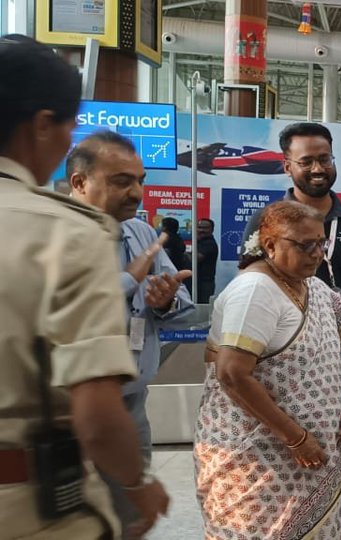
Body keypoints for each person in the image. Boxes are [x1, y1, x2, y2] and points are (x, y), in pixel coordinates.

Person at [0, 34, 169, 539]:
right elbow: (95, 414)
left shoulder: (127, 232)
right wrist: (138, 484)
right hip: (32, 505)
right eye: (69, 126)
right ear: (43, 124)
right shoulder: (64, 232)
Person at [196, 200, 341, 539]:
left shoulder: (313, 286)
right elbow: (231, 373)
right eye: (305, 245)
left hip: (314, 459)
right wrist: (296, 438)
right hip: (260, 459)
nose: (317, 253)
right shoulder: (255, 291)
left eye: (322, 243)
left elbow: (334, 343)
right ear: (270, 245)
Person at [67, 131, 196, 539]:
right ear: (79, 183)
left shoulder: (141, 234)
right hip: (72, 415)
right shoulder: (57, 238)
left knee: (128, 522)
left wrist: (164, 301)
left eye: (140, 180)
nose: (136, 191)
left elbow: (182, 307)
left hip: (133, 406)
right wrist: (129, 279)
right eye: (122, 180)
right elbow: (71, 312)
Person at [244, 122, 341, 316]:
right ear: (287, 167)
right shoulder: (264, 221)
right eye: (306, 162)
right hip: (284, 336)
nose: (317, 169)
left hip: (339, 339)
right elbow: (248, 283)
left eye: (325, 159)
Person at [195, 218, 219, 303]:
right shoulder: (199, 241)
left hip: (205, 283)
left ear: (212, 230)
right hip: (196, 281)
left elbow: (195, 259)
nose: (201, 230)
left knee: (203, 308)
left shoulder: (209, 243)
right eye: (199, 227)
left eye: (205, 228)